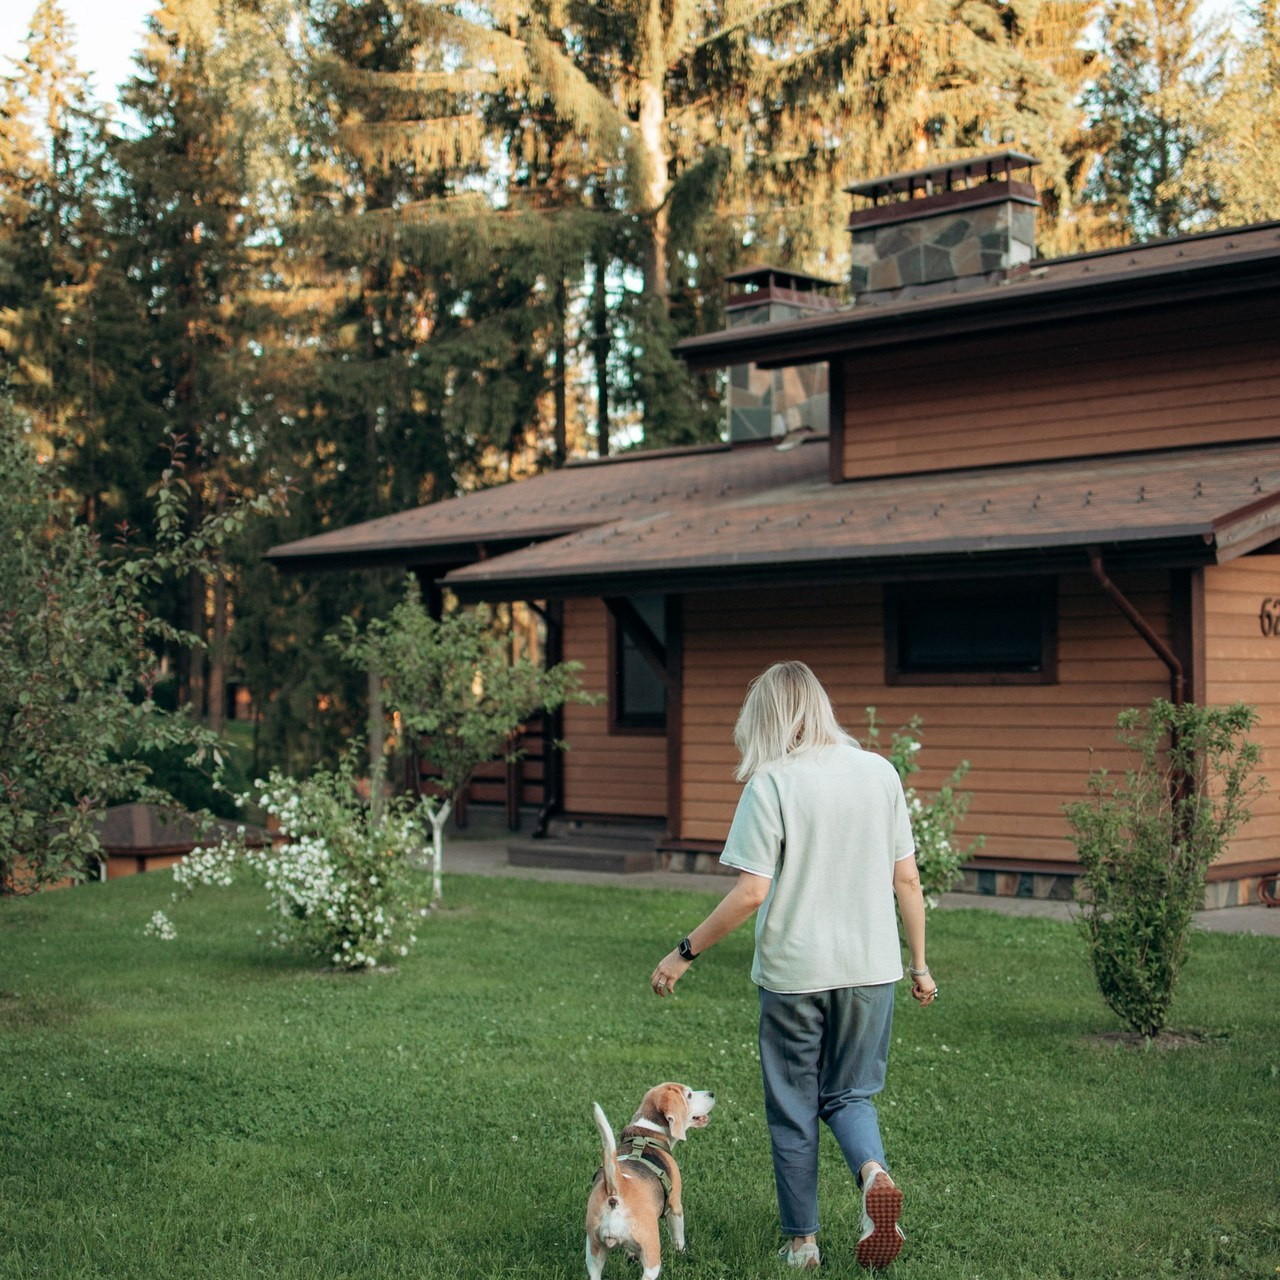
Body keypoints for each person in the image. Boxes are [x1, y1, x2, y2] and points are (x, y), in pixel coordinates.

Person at [650, 660, 937, 1271]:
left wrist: (684, 953)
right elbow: (908, 880)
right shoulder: (881, 773)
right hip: (872, 970)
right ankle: (873, 1174)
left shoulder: (771, 783)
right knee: (851, 1094)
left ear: (767, 718)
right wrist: (919, 965)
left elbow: (752, 892)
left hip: (795, 976)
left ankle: (802, 1245)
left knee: (793, 1107)